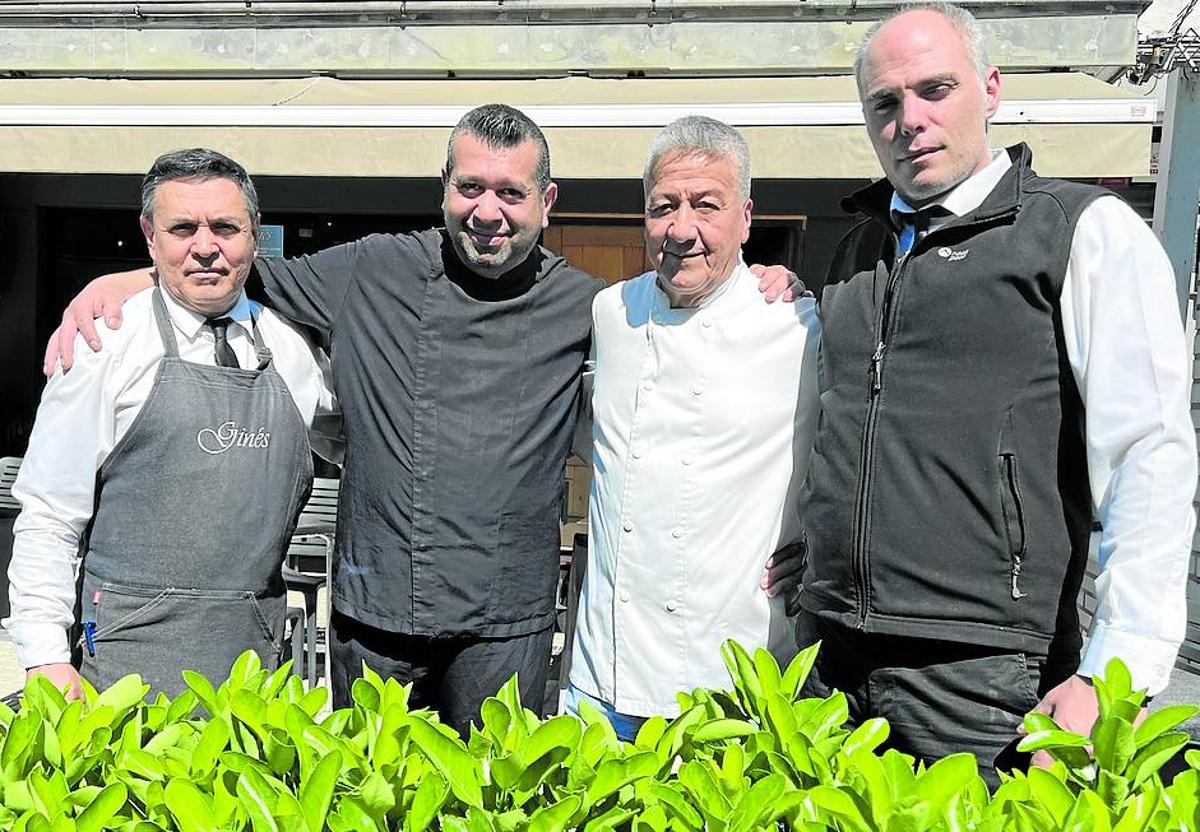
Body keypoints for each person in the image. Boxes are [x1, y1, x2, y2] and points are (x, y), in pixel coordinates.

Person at [45, 105, 807, 733]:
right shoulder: (371, 269)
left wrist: (764, 277)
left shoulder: (593, 304)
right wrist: (127, 276)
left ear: (547, 201)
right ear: (443, 188)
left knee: (494, 806)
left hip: (503, 628)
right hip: (373, 619)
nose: (488, 212)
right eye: (470, 187)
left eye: (511, 193)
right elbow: (226, 265)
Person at [795, 2, 1197, 781]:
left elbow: (1148, 454)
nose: (910, 119)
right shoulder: (854, 252)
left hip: (985, 676)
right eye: (886, 102)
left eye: (935, 89)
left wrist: (1118, 675)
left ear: (991, 88)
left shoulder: (1082, 231)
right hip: (833, 658)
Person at [5, 148, 341, 699]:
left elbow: (363, 441)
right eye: (183, 227)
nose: (205, 247)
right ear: (149, 236)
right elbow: (49, 514)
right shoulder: (102, 345)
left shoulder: (293, 348)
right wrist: (43, 656)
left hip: (254, 672)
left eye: (226, 228)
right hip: (121, 662)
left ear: (254, 233)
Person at [566, 117, 821, 738]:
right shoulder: (610, 312)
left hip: (733, 682)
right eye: (664, 208)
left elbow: (860, 454)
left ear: (747, 217)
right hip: (603, 679)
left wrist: (821, 551)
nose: (683, 230)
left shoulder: (798, 325)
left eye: (707, 205)